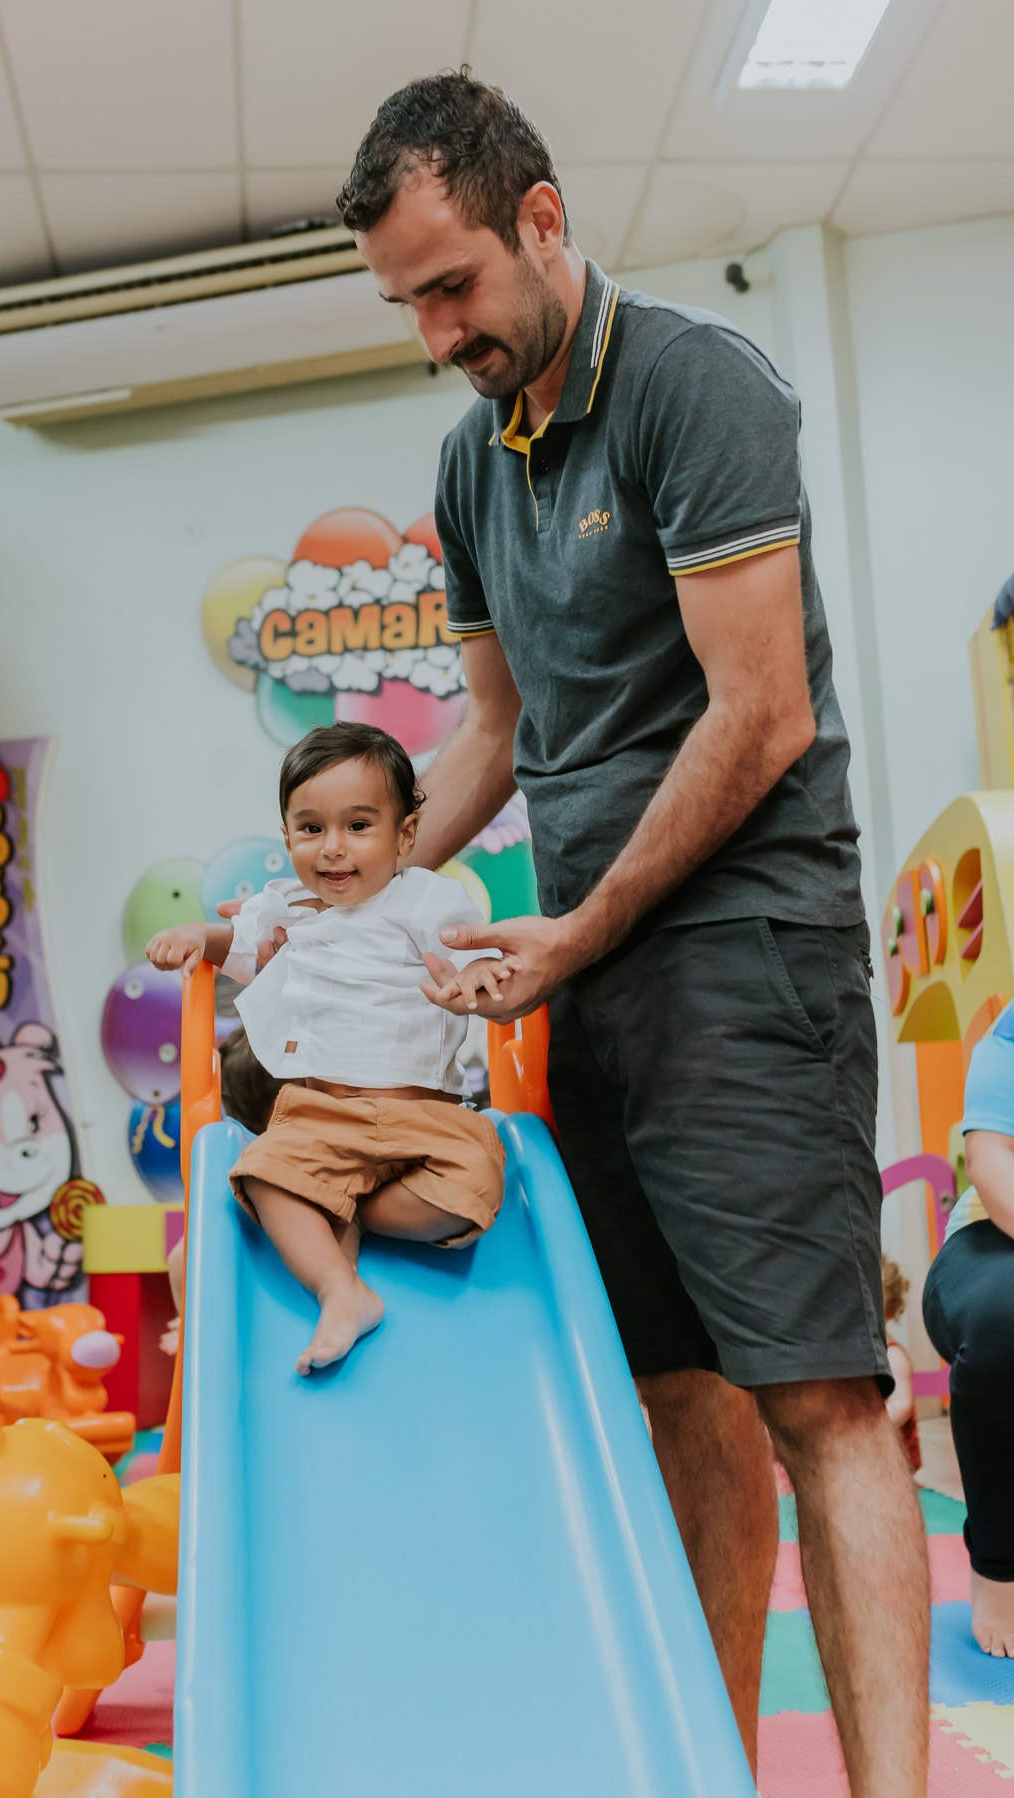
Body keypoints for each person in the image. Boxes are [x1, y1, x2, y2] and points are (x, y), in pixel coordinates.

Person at [338, 68, 929, 1792]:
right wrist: (318, 903)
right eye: (406, 304)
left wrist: (577, 924)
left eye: (454, 284)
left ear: (543, 218)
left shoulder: (695, 388)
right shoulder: (471, 458)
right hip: (588, 972)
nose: (440, 329)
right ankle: (714, 1767)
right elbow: (489, 742)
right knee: (680, 1388)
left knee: (820, 1391)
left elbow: (757, 719)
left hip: (743, 943)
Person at [146, 722, 510, 1375]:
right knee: (258, 1174)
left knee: (472, 1191)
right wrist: (198, 935)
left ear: (404, 835)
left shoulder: (423, 898)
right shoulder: (284, 905)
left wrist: (478, 973)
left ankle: (342, 1207)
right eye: (311, 829)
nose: (333, 850)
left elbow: (470, 949)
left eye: (358, 827)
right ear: (286, 837)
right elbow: (236, 946)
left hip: (423, 1118)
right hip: (322, 1117)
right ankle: (340, 1290)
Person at [924, 999, 1014, 1657]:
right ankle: (998, 1566)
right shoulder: (1006, 1040)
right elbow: (991, 1164)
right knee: (1004, 1323)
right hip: (993, 1239)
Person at [158, 1028, 290, 1357]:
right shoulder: (250, 1151)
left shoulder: (235, 1143)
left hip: (262, 1280)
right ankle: (195, 1331)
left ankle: (194, 1330)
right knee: (182, 1256)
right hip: (263, 1272)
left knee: (181, 1255)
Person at [881, 1256, 921, 1474]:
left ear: (890, 1311)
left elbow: (902, 1405)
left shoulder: (892, 1355)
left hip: (894, 1453)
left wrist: (867, 1428)